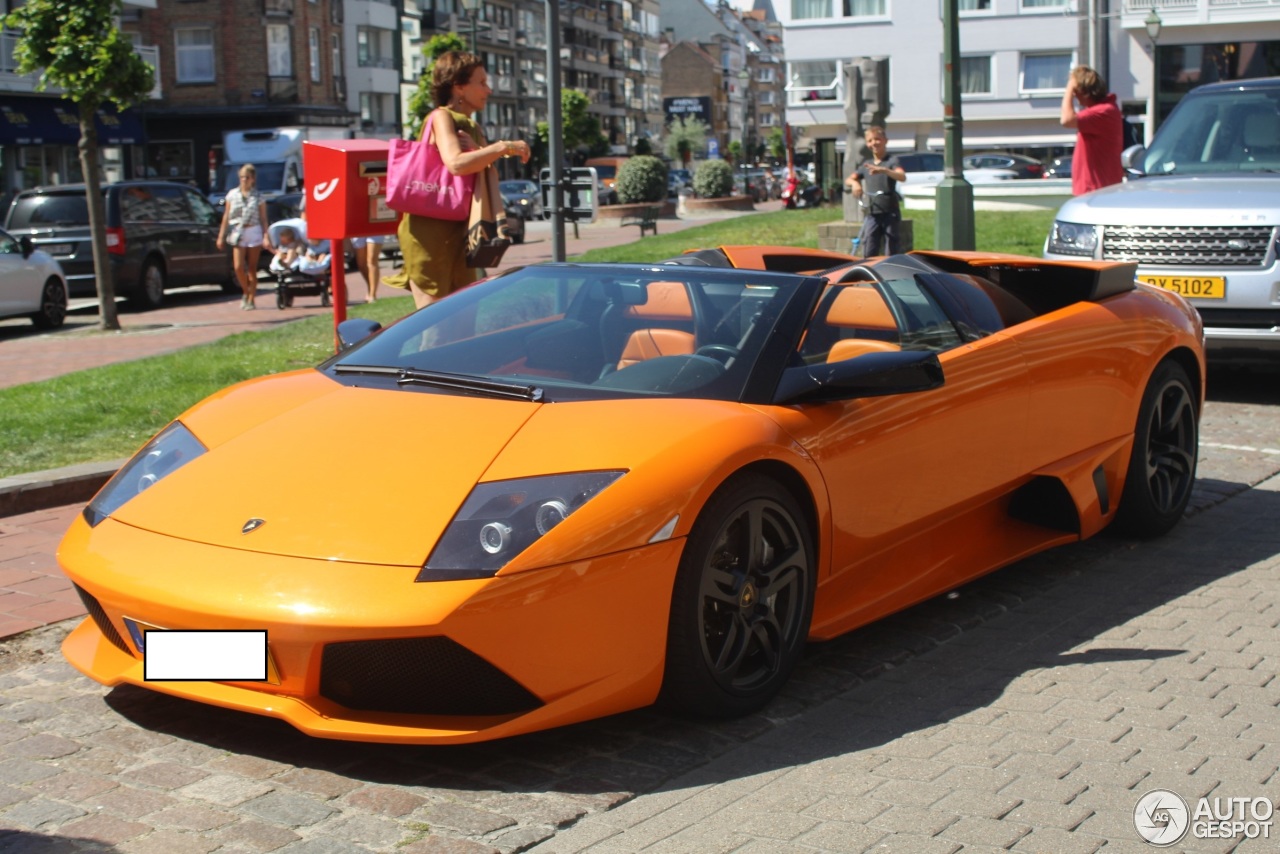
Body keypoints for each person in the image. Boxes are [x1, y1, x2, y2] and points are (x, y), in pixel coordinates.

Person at [383, 50, 531, 310]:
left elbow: (480, 173)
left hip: (462, 231)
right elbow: (456, 164)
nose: (489, 89)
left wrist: (480, 149)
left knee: (463, 320)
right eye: (481, 82)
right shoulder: (441, 117)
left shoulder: (472, 126)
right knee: (434, 323)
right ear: (459, 87)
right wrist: (503, 147)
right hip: (429, 233)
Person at [1060, 65, 1125, 196]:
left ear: (1083, 90)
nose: (1075, 96)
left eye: (1075, 91)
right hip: (1096, 190)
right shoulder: (1102, 111)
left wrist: (1069, 88)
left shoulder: (1104, 112)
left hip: (1097, 191)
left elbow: (1066, 120)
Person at [845, 126, 906, 257]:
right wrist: (855, 183)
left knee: (891, 248)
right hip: (873, 212)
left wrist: (884, 170)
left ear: (885, 140)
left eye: (877, 139)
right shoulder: (866, 164)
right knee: (869, 246)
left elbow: (902, 176)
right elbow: (849, 179)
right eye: (870, 140)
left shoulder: (891, 161)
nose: (874, 143)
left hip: (890, 211)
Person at [218, 164, 269, 309]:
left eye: (247, 177)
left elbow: (263, 218)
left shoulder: (258, 196)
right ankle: (246, 291)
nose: (244, 180)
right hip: (237, 231)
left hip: (253, 230)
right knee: (238, 267)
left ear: (253, 179)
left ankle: (251, 298)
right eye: (241, 177)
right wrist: (221, 236)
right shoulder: (232, 195)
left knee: (252, 268)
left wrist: (266, 236)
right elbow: (226, 216)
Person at [350, 235, 384, 303]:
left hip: (375, 228)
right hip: (358, 229)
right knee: (361, 263)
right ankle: (370, 287)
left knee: (372, 260)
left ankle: (372, 295)